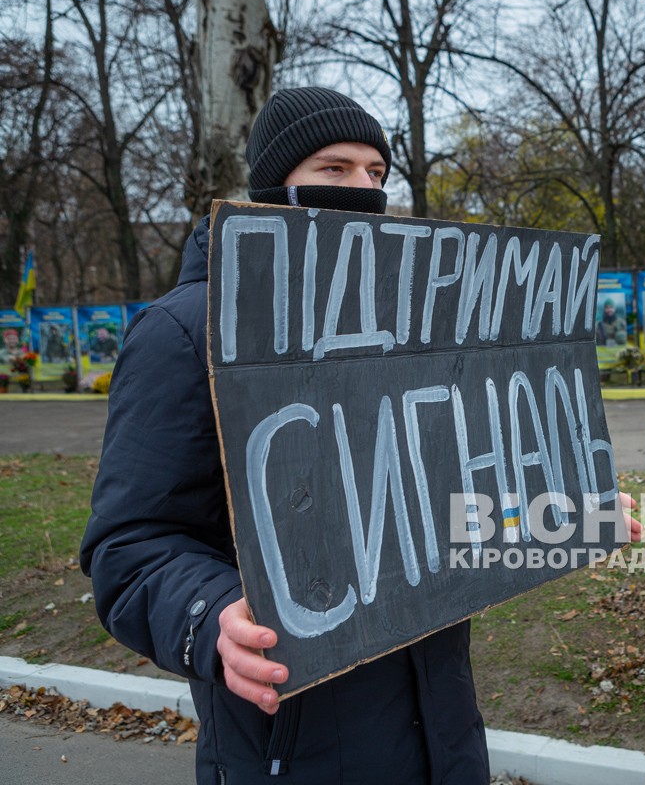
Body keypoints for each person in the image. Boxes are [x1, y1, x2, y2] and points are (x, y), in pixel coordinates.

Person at [79, 87, 489, 784]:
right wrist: (209, 616)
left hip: (440, 733)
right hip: (294, 740)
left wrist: (562, 511)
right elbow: (129, 549)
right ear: (274, 187)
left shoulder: (409, 331)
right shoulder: (186, 334)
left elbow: (434, 500)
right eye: (334, 170)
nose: (363, 188)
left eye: (376, 173)